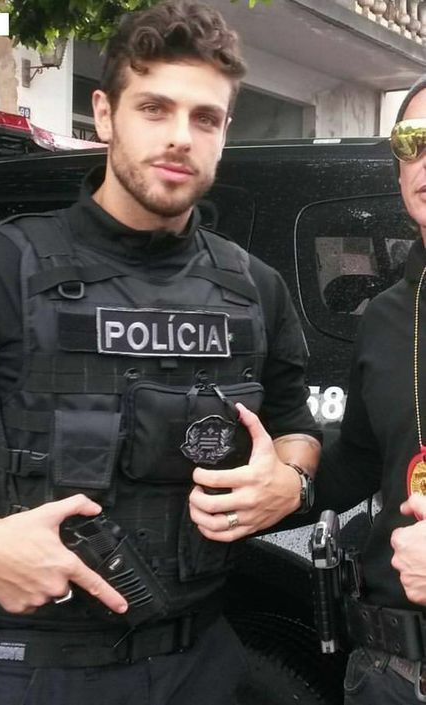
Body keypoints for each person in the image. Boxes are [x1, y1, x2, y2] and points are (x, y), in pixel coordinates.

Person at [0, 2, 321, 703]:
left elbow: (296, 421)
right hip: (39, 668)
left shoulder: (255, 288)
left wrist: (289, 481)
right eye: (155, 108)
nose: (179, 137)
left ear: (225, 131)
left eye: (205, 118)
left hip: (207, 661)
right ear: (104, 114)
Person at [196, 75, 426, 704]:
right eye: (413, 139)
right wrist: (288, 484)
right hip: (389, 673)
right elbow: (358, 458)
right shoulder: (386, 315)